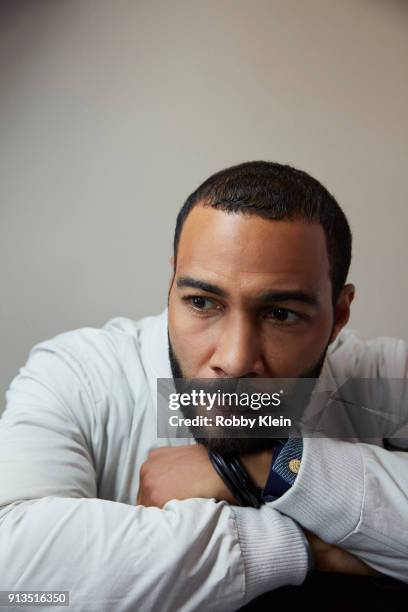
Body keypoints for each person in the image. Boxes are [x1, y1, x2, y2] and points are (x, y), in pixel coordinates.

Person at [0, 161, 407, 611]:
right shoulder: (81, 374)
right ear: (172, 284)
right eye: (201, 302)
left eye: (280, 314)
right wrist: (309, 547)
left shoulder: (380, 379)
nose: (233, 360)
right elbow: (12, 576)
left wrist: (264, 469)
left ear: (339, 315)